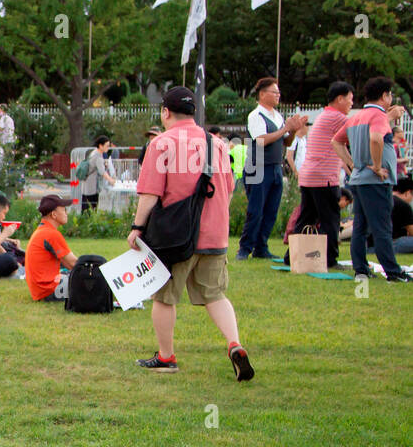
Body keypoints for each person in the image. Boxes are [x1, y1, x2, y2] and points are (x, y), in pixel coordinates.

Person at [131, 86, 251, 378]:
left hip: (177, 237)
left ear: (165, 112)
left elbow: (150, 193)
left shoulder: (162, 143)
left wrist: (137, 228)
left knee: (164, 298)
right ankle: (234, 344)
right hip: (216, 234)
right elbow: (229, 188)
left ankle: (166, 357)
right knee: (215, 295)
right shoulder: (217, 144)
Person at [331, 77, 411, 283]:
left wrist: (352, 165)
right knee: (382, 226)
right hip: (375, 181)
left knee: (361, 226)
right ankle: (393, 271)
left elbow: (336, 141)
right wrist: (376, 166)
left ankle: (361, 268)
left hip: (359, 180)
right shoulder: (378, 115)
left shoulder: (358, 116)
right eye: (390, 94)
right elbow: (376, 138)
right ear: (385, 96)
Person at [239, 77, 307, 260]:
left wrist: (292, 130)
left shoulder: (277, 116)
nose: (278, 95)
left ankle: (262, 246)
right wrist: (285, 127)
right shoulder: (256, 115)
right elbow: (261, 140)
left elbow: (286, 141)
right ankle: (245, 248)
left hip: (275, 166)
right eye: (274, 92)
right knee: (256, 209)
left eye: (278, 92)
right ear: (262, 94)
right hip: (258, 166)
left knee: (271, 210)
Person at [294, 81, 354, 268]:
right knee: (330, 218)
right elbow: (359, 129)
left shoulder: (324, 115)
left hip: (309, 176)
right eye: (350, 100)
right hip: (324, 177)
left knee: (306, 218)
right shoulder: (337, 118)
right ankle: (330, 259)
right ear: (340, 99)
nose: (352, 104)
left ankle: (293, 256)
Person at [26, 194, 78, 302]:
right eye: (64, 210)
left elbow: (68, 264)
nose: (66, 213)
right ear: (54, 214)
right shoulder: (51, 234)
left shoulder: (42, 230)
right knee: (89, 280)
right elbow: (73, 263)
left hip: (40, 290)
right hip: (49, 291)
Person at [80, 135, 118, 210]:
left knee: (86, 206)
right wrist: (111, 180)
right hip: (91, 187)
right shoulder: (98, 156)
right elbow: (102, 172)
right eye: (107, 146)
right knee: (91, 207)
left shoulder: (94, 153)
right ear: (100, 146)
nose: (108, 148)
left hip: (87, 185)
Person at [391, 177, 413, 254]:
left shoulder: (382, 199)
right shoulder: (404, 206)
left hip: (370, 244)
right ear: (408, 193)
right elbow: (412, 232)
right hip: (393, 244)